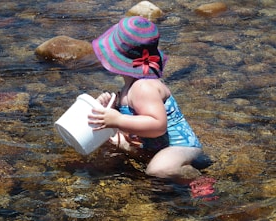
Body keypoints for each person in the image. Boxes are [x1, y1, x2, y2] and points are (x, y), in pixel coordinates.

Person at [88, 16, 216, 199]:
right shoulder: (129, 87)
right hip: (155, 145)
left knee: (158, 169)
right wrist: (109, 106)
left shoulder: (144, 87)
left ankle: (196, 179)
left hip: (179, 146)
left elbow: (158, 126)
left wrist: (117, 119)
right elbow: (132, 115)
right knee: (112, 140)